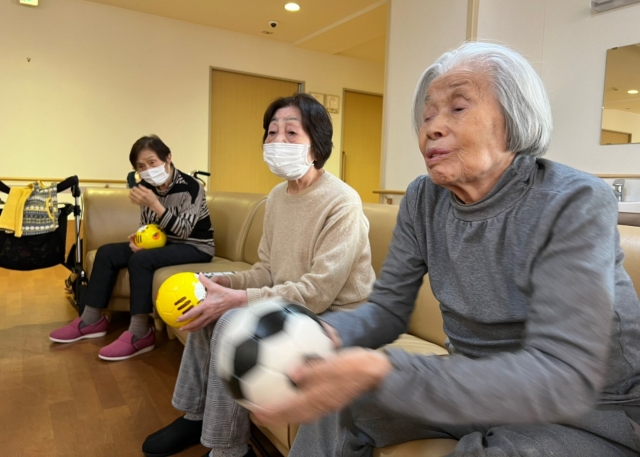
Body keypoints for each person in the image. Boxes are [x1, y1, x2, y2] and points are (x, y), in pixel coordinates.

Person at [252, 43, 640, 457]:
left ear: (514, 119)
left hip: (587, 409)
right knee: (337, 401)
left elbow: (560, 371)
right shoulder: (423, 199)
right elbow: (387, 309)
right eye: (427, 115)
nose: (432, 128)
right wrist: (325, 335)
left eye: (457, 108)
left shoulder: (574, 200)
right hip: (471, 387)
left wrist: (386, 368)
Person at [142, 93, 376, 457]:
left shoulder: (342, 201)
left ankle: (229, 449)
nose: (278, 141)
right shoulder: (278, 197)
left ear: (316, 145)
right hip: (293, 304)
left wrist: (238, 300)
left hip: (338, 315)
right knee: (207, 299)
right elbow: (267, 269)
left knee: (230, 318)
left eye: (291, 133)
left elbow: (317, 293)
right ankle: (195, 415)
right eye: (272, 132)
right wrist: (223, 284)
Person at [49, 135, 215, 361]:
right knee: (106, 253)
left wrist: (155, 204)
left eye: (152, 162)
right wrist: (140, 239)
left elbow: (184, 230)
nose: (147, 170)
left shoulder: (192, 187)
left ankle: (140, 332)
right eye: (141, 166)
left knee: (141, 260)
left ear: (168, 158)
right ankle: (91, 319)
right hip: (165, 243)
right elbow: (149, 225)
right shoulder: (146, 186)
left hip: (196, 246)